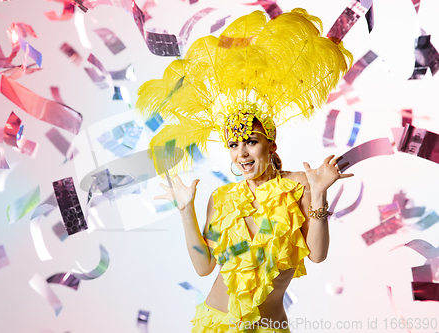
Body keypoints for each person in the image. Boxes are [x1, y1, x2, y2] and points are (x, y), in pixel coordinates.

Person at [136, 8, 354, 333]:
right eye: (234, 146)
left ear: (271, 145)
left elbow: (318, 255)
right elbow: (203, 266)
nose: (242, 153)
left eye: (250, 142)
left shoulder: (300, 185)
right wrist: (185, 210)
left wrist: (320, 194)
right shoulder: (221, 198)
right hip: (216, 324)